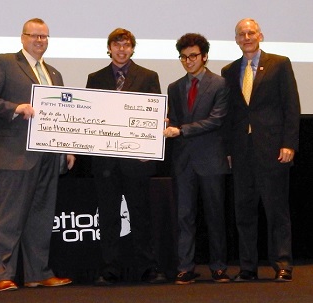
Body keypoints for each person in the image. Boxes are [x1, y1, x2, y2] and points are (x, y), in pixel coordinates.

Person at [0, 18, 75, 291]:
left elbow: (61, 117)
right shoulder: (5, 62)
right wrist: (15, 108)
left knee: (41, 217)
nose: (39, 41)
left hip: (48, 155)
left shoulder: (54, 74)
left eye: (44, 37)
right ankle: (2, 275)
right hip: (14, 154)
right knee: (10, 217)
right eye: (34, 36)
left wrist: (65, 148)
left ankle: (37, 273)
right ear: (22, 37)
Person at [86, 28, 167, 286]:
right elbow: (90, 118)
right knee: (108, 217)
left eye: (127, 45)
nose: (122, 49)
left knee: (140, 216)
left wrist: (153, 139)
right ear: (109, 47)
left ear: (133, 48)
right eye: (117, 45)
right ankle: (110, 269)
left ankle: (148, 267)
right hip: (106, 162)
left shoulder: (148, 76)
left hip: (138, 162)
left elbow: (154, 116)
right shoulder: (95, 78)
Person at [221, 18, 300, 282]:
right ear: (236, 39)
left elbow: (291, 106)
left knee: (277, 211)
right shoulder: (228, 71)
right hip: (242, 154)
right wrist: (230, 150)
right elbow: (231, 115)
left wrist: (289, 143)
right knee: (244, 212)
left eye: (251, 32)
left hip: (273, 150)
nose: (246, 37)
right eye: (241, 34)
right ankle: (248, 267)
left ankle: (282, 264)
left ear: (260, 36)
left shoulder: (280, 64)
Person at [163, 33, 230, 284]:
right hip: (183, 161)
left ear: (204, 56)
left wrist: (181, 130)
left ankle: (219, 267)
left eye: (193, 56)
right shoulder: (174, 87)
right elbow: (177, 120)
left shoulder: (220, 84)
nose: (188, 61)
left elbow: (217, 119)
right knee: (184, 216)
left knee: (215, 216)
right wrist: (168, 123)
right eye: (183, 57)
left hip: (211, 159)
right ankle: (185, 267)